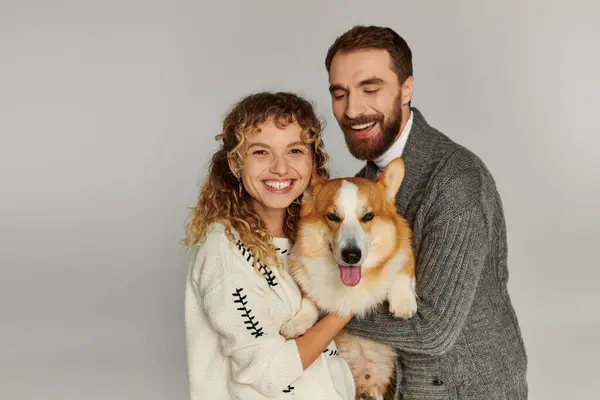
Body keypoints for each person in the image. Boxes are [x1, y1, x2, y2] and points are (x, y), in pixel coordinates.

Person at [323, 25, 528, 399]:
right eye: (340, 94)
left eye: (370, 89)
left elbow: (432, 329)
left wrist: (316, 309)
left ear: (406, 89)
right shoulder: (357, 187)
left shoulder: (454, 179)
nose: (352, 110)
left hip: (468, 389)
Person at [182, 92, 356, 400]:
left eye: (295, 150)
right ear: (236, 164)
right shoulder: (224, 252)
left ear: (313, 161)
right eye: (261, 152)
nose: (280, 167)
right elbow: (270, 374)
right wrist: (348, 307)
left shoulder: (310, 239)